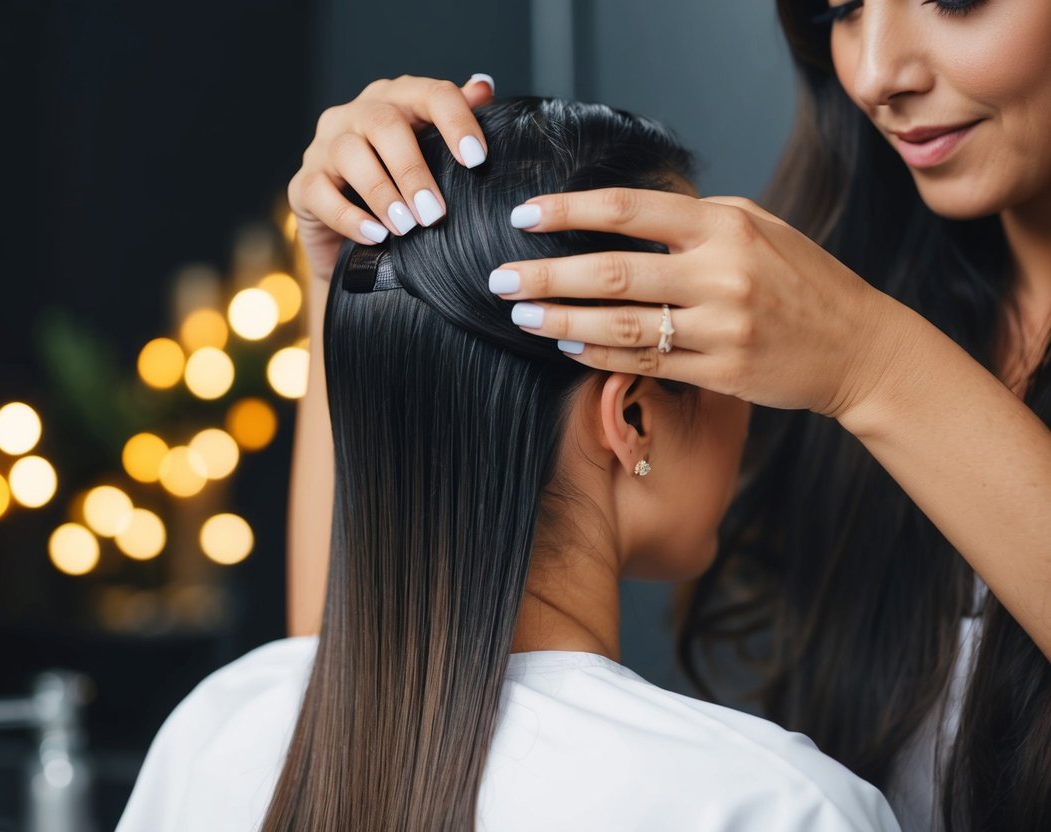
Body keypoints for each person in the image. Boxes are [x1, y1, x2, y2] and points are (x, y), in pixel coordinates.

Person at [284, 4, 1051, 831]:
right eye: (839, 9)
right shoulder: (821, 284)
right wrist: (348, 268)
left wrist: (876, 366)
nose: (872, 75)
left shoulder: (841, 335)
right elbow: (349, 674)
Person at [117, 98, 899, 831]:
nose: (751, 396)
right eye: (723, 341)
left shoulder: (218, 732)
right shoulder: (770, 806)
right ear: (630, 415)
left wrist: (332, 278)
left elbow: (317, 653)